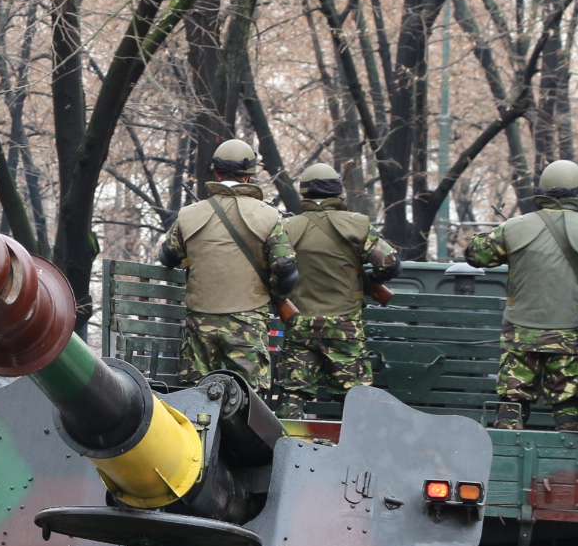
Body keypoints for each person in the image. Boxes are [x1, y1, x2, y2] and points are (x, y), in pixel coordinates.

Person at [463, 160, 578, 431]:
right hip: (573, 334)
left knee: (512, 401)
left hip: (521, 333)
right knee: (569, 404)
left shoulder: (513, 227)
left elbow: (474, 255)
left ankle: (504, 444)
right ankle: (570, 450)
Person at [160, 138, 299, 393]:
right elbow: (285, 266)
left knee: (196, 395)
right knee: (248, 397)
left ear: (216, 173)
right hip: (248, 320)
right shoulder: (268, 215)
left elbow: (167, 256)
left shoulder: (189, 214)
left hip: (199, 321)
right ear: (248, 176)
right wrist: (276, 295)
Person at [275, 163, 400, 410]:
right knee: (355, 399)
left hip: (301, 324)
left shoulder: (287, 227)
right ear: (338, 191)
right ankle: (354, 437)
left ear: (304, 192)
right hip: (345, 325)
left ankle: (288, 434)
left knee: (294, 393)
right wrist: (367, 280)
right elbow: (391, 264)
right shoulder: (358, 225)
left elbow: (277, 269)